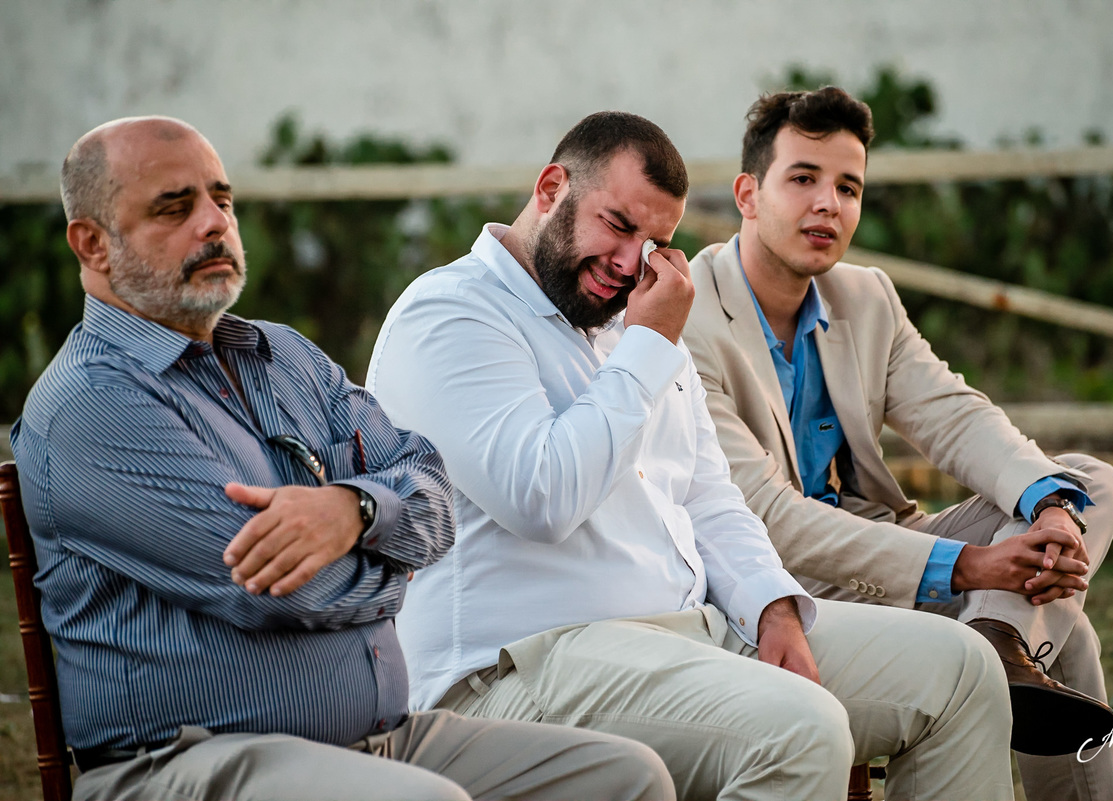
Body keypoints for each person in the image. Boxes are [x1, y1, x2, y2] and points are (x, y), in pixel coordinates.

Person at [9, 116, 675, 801]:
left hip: (380, 737)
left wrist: (354, 511)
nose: (213, 223)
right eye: (174, 208)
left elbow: (432, 489)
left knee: (627, 778)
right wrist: (398, 566)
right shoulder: (91, 404)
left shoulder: (283, 355)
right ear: (92, 243)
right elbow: (280, 589)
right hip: (186, 762)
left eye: (223, 199)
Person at [368, 110, 1015, 801]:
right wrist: (648, 346)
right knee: (801, 730)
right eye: (618, 225)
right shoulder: (451, 313)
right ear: (552, 187)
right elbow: (542, 497)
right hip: (523, 666)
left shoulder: (635, 324)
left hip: (692, 634)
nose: (628, 263)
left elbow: (708, 495)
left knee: (963, 670)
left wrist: (772, 607)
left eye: (655, 243)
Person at [679, 88, 1113, 801]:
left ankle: (997, 640)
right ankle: (1000, 641)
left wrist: (1046, 512)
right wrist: (971, 566)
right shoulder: (692, 313)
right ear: (747, 193)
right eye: (803, 178)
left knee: (1085, 481)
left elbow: (955, 416)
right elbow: (764, 515)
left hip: (883, 548)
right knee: (1066, 635)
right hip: (770, 582)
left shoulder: (867, 296)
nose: (828, 203)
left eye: (848, 186)